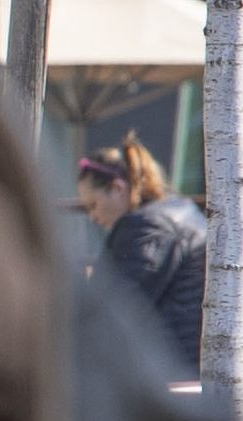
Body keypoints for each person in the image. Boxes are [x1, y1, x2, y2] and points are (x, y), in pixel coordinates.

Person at [79, 139, 208, 373]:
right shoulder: (182, 210)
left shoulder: (144, 226)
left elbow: (116, 309)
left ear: (118, 188)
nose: (92, 216)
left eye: (93, 204)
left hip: (170, 371)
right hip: (192, 364)